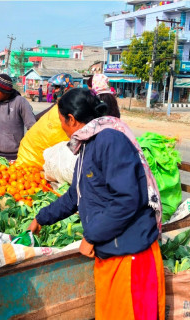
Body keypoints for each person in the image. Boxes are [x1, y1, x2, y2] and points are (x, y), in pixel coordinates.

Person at [28, 88, 165, 319]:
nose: (61, 127)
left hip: (131, 256)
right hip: (112, 252)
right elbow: (76, 194)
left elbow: (126, 199)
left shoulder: (109, 140)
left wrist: (91, 236)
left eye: (61, 121)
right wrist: (41, 218)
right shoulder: (89, 143)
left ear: (71, 119)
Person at [0, 73, 36, 160]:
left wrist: (30, 151)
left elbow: (32, 127)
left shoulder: (20, 102)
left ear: (6, 92)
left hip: (16, 156)